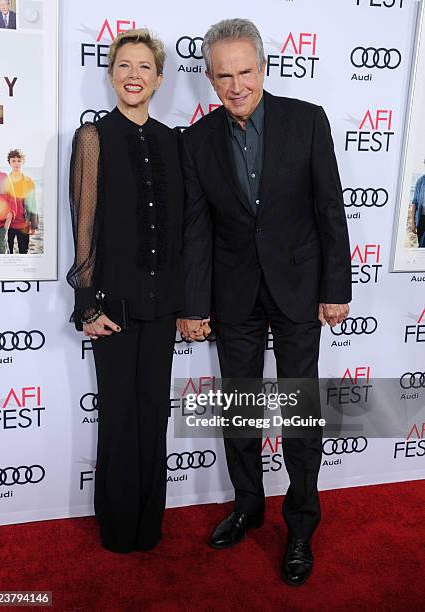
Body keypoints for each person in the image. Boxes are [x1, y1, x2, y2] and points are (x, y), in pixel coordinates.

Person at [178, 19, 351, 586]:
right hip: (233, 295)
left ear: (263, 67)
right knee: (241, 410)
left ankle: (300, 525)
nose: (236, 86)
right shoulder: (196, 140)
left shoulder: (306, 119)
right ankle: (249, 505)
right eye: (223, 75)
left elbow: (330, 207)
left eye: (245, 72)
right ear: (209, 76)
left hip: (299, 287)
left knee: (300, 412)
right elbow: (198, 230)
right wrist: (195, 303)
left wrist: (336, 288)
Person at [67, 29, 184, 553]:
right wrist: (85, 304)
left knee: (151, 417)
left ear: (158, 79)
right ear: (111, 74)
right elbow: (84, 226)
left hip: (162, 307)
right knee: (117, 417)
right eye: (123, 65)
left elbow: (179, 230)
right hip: (110, 307)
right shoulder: (93, 137)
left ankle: (148, 525)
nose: (133, 75)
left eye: (144, 67)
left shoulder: (172, 141)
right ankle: (118, 530)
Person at [7, 149, 38, 254]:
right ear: (9, 162)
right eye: (13, 160)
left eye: (19, 160)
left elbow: (33, 203)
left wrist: (34, 224)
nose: (16, 163)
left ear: (23, 162)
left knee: (23, 251)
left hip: (24, 223)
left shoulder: (28, 181)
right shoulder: (5, 180)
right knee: (8, 251)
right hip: (8, 224)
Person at [411, 166, 425, 247]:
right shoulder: (420, 181)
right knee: (421, 245)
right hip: (421, 219)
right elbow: (414, 202)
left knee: (422, 246)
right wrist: (413, 222)